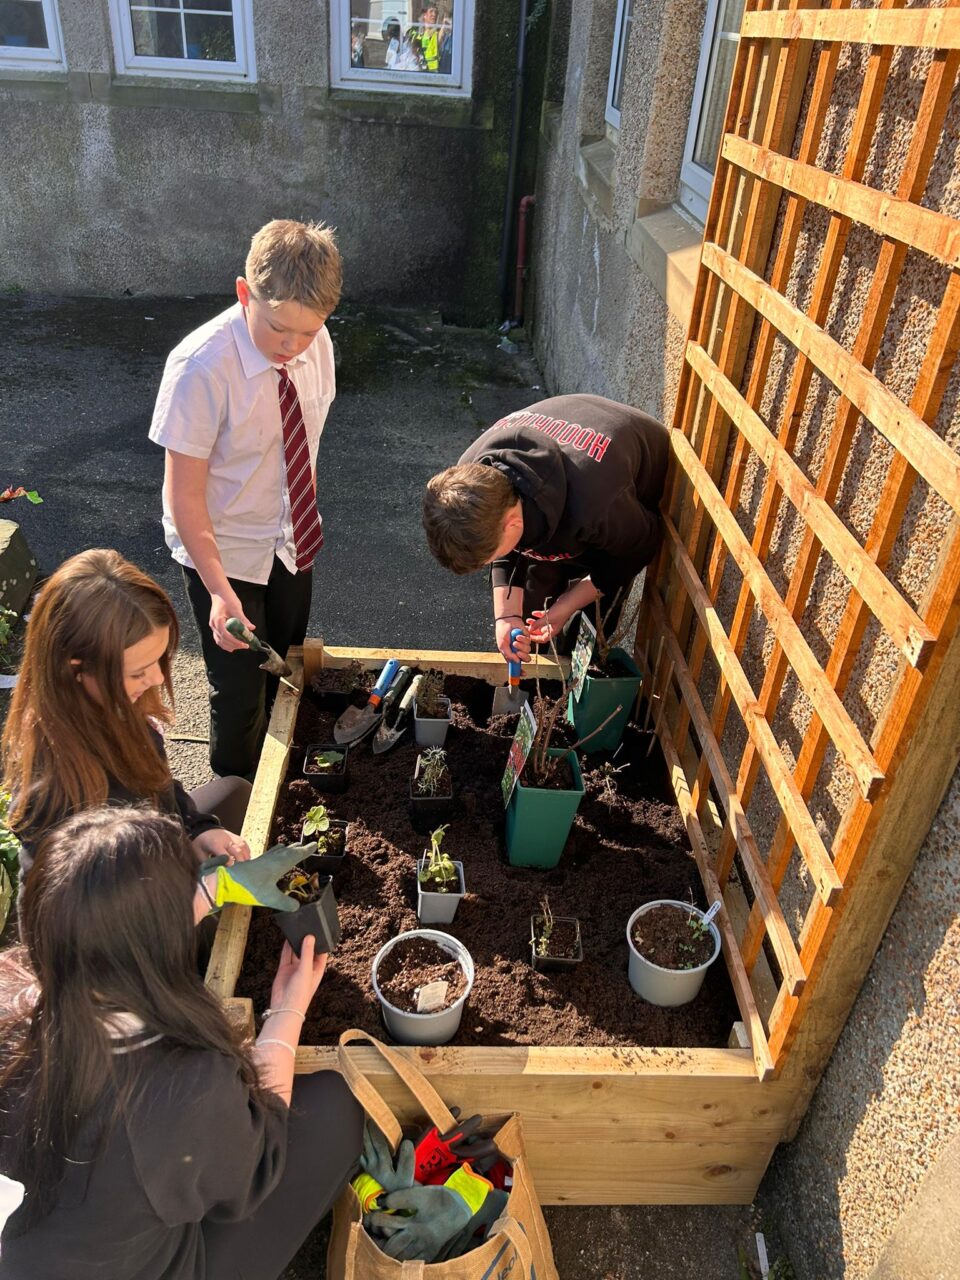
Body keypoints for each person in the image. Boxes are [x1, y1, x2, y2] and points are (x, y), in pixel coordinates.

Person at [0, 807, 362, 1278]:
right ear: (154, 947)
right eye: (188, 888)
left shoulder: (15, 1010)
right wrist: (288, 1009)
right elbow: (257, 1164)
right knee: (335, 1109)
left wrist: (215, 889)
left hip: (46, 1253)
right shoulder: (181, 1086)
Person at [149, 219, 341, 780]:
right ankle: (232, 822)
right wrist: (217, 591)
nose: (294, 347)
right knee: (238, 704)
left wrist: (297, 531)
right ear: (243, 293)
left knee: (283, 677)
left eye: (308, 333)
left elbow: (300, 449)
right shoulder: (200, 368)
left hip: (289, 543)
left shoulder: (316, 343)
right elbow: (183, 497)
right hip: (224, 551)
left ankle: (273, 798)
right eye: (280, 329)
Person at [0, 549, 252, 908]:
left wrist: (198, 829)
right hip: (127, 926)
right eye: (138, 671)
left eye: (160, 661)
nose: (156, 679)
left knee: (236, 791)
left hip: (155, 857)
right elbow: (65, 928)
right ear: (77, 668)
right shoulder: (52, 791)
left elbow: (160, 789)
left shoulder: (115, 705)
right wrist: (192, 905)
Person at [422, 394, 670, 664]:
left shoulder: (594, 505)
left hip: (631, 486)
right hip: (563, 466)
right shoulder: (472, 473)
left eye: (489, 559)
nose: (491, 564)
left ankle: (579, 668)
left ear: (514, 523)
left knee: (590, 625)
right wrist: (506, 616)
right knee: (531, 599)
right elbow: (503, 538)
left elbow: (639, 548)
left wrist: (566, 606)